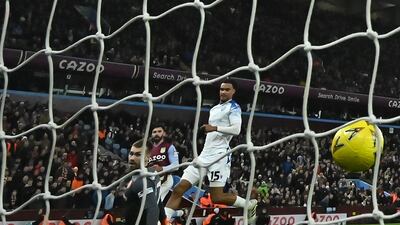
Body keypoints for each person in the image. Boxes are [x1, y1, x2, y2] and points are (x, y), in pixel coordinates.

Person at [165, 79, 257, 223]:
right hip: (204, 156)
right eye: (221, 89)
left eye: (227, 89)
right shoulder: (214, 109)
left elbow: (236, 129)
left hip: (220, 156)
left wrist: (214, 128)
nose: (223, 92)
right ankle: (165, 221)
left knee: (217, 197)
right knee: (178, 189)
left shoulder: (234, 107)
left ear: (233, 91)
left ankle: (249, 204)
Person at [124, 139, 164, 225]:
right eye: (131, 153)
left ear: (147, 158)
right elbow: (158, 201)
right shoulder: (153, 174)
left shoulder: (142, 182)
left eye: (138, 154)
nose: (132, 158)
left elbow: (152, 210)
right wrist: (164, 219)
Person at [149, 125, 179, 202]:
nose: (156, 134)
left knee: (153, 202)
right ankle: (179, 213)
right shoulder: (148, 148)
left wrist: (162, 168)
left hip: (165, 179)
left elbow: (176, 166)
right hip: (151, 179)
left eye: (159, 131)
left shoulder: (169, 147)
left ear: (164, 134)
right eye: (154, 132)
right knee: (156, 204)